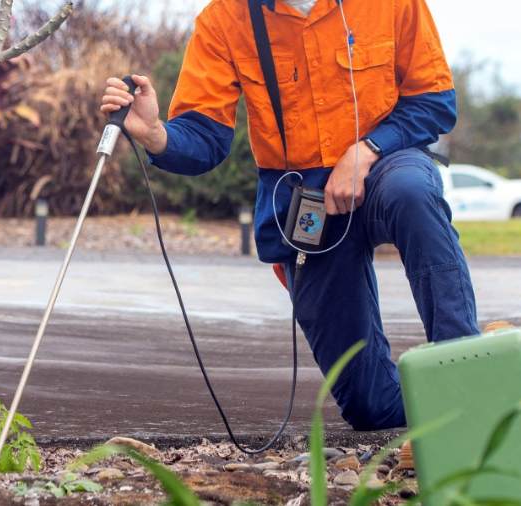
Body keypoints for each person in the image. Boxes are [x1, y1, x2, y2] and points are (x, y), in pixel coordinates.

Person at [100, 0, 481, 431]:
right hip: (305, 203)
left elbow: (433, 102)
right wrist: (155, 134)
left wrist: (367, 149)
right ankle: (459, 407)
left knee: (412, 192)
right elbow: (206, 138)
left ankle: (468, 375)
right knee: (369, 406)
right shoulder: (224, 17)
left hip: (386, 162)